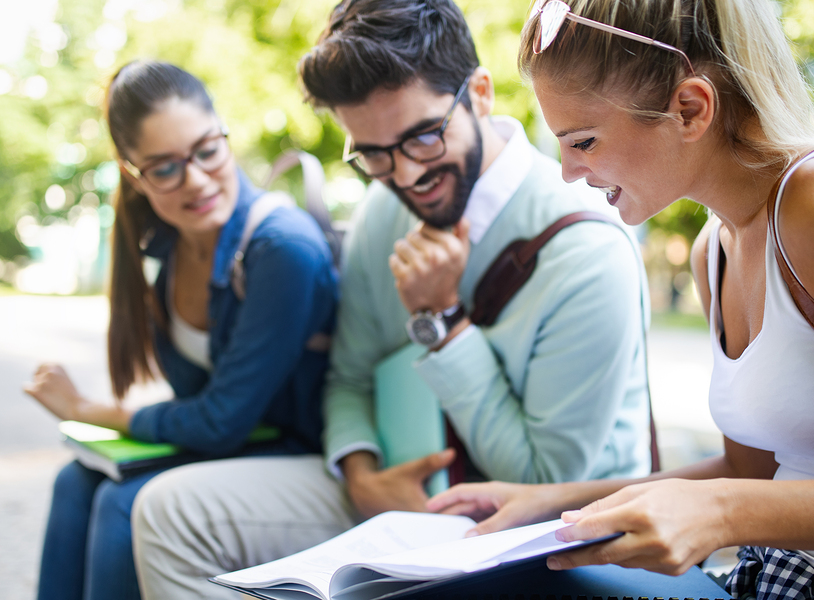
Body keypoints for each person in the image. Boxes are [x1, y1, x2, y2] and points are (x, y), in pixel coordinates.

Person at [130, 0, 653, 597]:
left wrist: (442, 320)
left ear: (480, 93)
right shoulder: (385, 211)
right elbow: (348, 377)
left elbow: (540, 480)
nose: (406, 176)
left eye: (424, 138)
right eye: (374, 155)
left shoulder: (586, 247)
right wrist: (359, 473)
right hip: (401, 491)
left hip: (546, 532)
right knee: (169, 510)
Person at [427, 0, 814, 597]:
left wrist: (724, 515)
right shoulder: (715, 249)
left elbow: (736, 497)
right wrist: (553, 502)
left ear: (690, 108)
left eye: (585, 141)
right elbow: (746, 472)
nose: (570, 172)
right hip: (776, 577)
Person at [22, 60, 338, 600]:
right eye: (165, 168)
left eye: (207, 150)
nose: (195, 180)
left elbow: (220, 422)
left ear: (224, 135)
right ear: (133, 176)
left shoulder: (281, 248)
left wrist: (89, 411)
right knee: (76, 482)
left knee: (124, 504)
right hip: (246, 449)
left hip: (305, 455)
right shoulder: (166, 248)